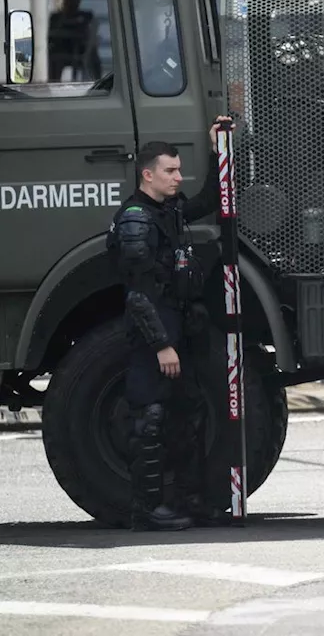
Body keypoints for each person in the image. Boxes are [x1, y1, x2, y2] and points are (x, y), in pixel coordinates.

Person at [106, 116, 234, 531]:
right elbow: (137, 293)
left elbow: (211, 198)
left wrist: (220, 151)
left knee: (189, 413)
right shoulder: (136, 221)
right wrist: (161, 344)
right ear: (148, 174)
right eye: (171, 170)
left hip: (180, 328)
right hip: (153, 334)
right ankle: (146, 510)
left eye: (178, 169)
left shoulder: (170, 210)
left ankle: (190, 500)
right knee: (151, 419)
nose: (179, 177)